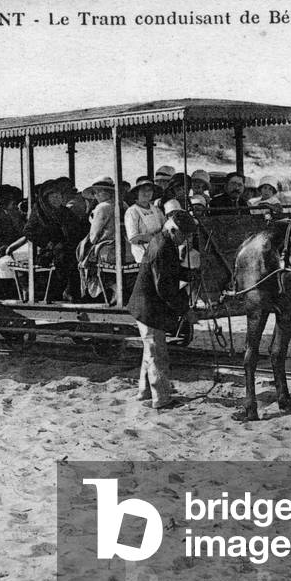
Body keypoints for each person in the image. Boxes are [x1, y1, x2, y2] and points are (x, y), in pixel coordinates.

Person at [126, 210, 201, 410]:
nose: (185, 240)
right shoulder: (162, 247)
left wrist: (189, 274)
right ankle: (161, 399)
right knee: (157, 354)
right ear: (173, 230)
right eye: (183, 236)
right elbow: (165, 289)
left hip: (148, 305)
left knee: (150, 351)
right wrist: (186, 311)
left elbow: (170, 271)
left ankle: (144, 392)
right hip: (149, 307)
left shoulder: (164, 241)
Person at [10, 180, 87, 301]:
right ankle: (64, 290)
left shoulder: (65, 212)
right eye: (54, 197)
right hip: (47, 250)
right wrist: (46, 242)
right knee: (63, 255)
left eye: (59, 196)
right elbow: (28, 231)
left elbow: (77, 229)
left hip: (66, 247)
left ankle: (74, 290)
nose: (57, 199)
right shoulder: (39, 212)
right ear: (47, 198)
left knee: (74, 253)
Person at [76, 176, 133, 301]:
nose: (96, 195)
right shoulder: (123, 204)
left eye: (98, 192)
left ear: (107, 192)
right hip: (128, 249)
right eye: (94, 193)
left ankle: (101, 291)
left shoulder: (102, 207)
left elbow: (94, 236)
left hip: (110, 251)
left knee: (84, 257)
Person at [124, 176, 166, 263]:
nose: (147, 193)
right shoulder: (132, 211)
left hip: (159, 248)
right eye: (143, 190)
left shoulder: (156, 209)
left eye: (149, 190)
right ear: (137, 193)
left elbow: (165, 227)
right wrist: (155, 239)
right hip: (142, 252)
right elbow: (133, 238)